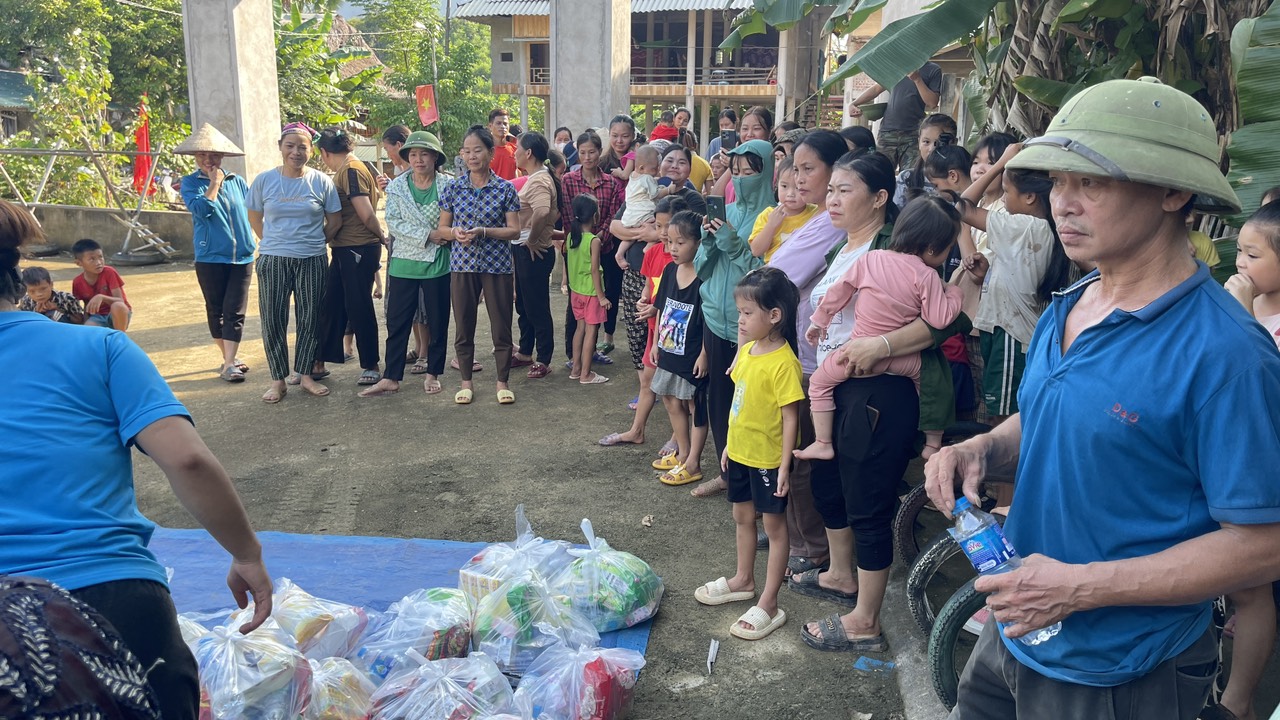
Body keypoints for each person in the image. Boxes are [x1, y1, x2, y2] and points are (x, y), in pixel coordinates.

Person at [925, 77, 1280, 720]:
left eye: (1093, 182)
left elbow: (1263, 543)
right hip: (1015, 637)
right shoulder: (1069, 305)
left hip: (1121, 672)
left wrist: (1078, 590)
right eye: (1059, 181)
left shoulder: (1227, 356)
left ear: (1174, 192)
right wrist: (984, 448)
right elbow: (1053, 420)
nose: (1064, 203)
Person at [0, 199, 273, 719]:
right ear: (15, 274)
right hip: (110, 599)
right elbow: (187, 460)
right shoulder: (100, 348)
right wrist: (246, 553)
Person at [796, 195, 965, 463]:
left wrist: (820, 320)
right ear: (934, 249)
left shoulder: (870, 259)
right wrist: (954, 291)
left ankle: (823, 442)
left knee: (818, 383)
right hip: (901, 360)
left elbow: (840, 291)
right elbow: (940, 318)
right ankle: (933, 443)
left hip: (855, 352)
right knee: (934, 384)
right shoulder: (927, 275)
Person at [694, 266, 803, 641]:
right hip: (740, 452)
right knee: (742, 516)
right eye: (739, 312)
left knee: (773, 528)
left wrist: (785, 465)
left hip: (769, 459)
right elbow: (740, 401)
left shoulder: (784, 363)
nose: (739, 320)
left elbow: (791, 418)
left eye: (746, 313)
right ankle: (743, 578)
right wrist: (728, 446)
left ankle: (770, 602)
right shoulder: (749, 351)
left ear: (775, 316)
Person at [1208, 200, 1280, 720]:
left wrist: (1239, 314)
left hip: (1264, 473)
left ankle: (1239, 699)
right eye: (1239, 250)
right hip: (1231, 458)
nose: (1240, 264)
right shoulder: (1239, 301)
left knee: (1257, 587)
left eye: (1253, 255)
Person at [956, 143, 1071, 422]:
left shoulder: (1025, 226)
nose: (1004, 198)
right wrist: (988, 272)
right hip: (1008, 328)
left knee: (1005, 417)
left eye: (1006, 191)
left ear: (1030, 196)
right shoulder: (1037, 228)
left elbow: (960, 207)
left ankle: (1004, 466)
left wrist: (1000, 164)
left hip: (1011, 334)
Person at [695, 140, 773, 492]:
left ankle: (753, 481)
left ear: (767, 172)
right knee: (719, 400)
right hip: (715, 318)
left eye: (749, 173)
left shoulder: (773, 216)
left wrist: (731, 243)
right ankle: (728, 475)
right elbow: (701, 270)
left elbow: (763, 276)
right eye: (735, 172)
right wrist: (708, 242)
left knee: (750, 407)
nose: (740, 180)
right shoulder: (728, 211)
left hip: (751, 328)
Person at [246, 122, 341, 404]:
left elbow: (334, 220)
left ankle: (306, 375)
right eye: (290, 146)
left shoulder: (321, 181)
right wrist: (274, 241)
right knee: (273, 318)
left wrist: (313, 241)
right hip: (273, 259)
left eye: (302, 147)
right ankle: (278, 380)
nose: (296, 152)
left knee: (310, 318)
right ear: (280, 147)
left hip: (311, 258)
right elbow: (254, 217)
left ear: (311, 150)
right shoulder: (264, 180)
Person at [360, 131, 452, 398]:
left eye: (424, 153)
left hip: (437, 263)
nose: (418, 159)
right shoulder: (398, 186)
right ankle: (391, 376)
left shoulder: (448, 185)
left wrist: (442, 234)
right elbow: (395, 223)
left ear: (435, 157)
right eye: (413, 154)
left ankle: (433, 372)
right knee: (397, 322)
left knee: (438, 321)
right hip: (403, 264)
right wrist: (430, 234)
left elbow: (453, 219)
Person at [438, 124, 523, 405]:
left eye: (477, 150)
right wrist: (455, 234)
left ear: (490, 153)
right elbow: (442, 229)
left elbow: (513, 230)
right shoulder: (453, 187)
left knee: (501, 326)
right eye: (467, 151)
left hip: (497, 265)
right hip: (462, 265)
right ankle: (466, 382)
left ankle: (502, 382)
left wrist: (484, 231)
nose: (471, 156)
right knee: (463, 324)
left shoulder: (504, 189)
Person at [598, 194, 689, 449]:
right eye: (658, 226)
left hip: (673, 330)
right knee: (648, 380)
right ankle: (636, 430)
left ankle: (677, 439)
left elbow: (681, 298)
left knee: (675, 390)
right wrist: (644, 300)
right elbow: (649, 286)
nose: (661, 233)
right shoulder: (654, 253)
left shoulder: (684, 258)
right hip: (654, 329)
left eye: (667, 226)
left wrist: (655, 308)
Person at [176, 123, 256, 382]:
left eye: (213, 155)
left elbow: (250, 211)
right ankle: (229, 359)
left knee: (235, 309)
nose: (208, 160)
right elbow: (201, 210)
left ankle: (230, 361)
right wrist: (213, 184)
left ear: (222, 157)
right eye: (202, 155)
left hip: (241, 255)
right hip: (210, 257)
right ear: (195, 158)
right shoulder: (190, 183)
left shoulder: (237, 182)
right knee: (216, 309)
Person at [314, 127, 385, 387]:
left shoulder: (351, 170)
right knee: (331, 303)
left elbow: (365, 213)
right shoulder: (351, 166)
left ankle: (371, 365)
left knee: (358, 305)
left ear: (323, 152)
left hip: (359, 246)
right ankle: (319, 360)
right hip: (344, 247)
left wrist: (382, 237)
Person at [650, 210, 710, 486]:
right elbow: (661, 308)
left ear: (698, 243)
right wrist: (654, 344)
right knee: (670, 399)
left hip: (693, 353)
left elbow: (710, 320)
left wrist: (704, 354)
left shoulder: (705, 276)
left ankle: (693, 461)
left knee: (694, 405)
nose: (672, 248)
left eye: (681, 242)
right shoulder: (670, 270)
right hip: (668, 349)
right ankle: (683, 453)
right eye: (670, 241)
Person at [559, 130, 624, 368]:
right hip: (576, 248)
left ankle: (592, 350)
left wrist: (598, 237)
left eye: (592, 152)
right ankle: (573, 357)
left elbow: (613, 216)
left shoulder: (611, 183)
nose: (587, 157)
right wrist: (578, 240)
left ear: (600, 152)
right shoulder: (568, 180)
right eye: (583, 152)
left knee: (600, 300)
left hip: (604, 247)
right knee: (576, 304)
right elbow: (567, 215)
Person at [511, 131, 561, 379]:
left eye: (518, 148)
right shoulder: (536, 178)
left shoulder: (539, 180)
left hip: (533, 253)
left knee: (536, 306)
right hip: (524, 251)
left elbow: (541, 212)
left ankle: (543, 358)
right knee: (524, 304)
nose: (515, 152)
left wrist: (531, 240)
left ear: (528, 153)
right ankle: (525, 351)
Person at [848, 61, 942, 169]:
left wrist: (917, 79)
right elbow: (877, 88)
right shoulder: (897, 66)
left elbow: (932, 102)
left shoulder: (933, 69)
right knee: (880, 173)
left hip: (913, 134)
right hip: (887, 131)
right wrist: (854, 103)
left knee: (909, 177)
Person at [563, 193, 611, 385]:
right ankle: (586, 374)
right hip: (591, 293)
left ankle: (576, 369)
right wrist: (601, 297)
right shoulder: (594, 240)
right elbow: (594, 270)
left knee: (580, 329)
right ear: (594, 216)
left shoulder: (570, 237)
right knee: (591, 332)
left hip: (576, 292)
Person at [749, 156, 820, 262]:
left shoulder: (816, 213)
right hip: (774, 272)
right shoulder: (768, 215)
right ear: (776, 185)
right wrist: (771, 226)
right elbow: (756, 251)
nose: (790, 194)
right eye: (784, 186)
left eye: (797, 187)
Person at [894, 113, 957, 207]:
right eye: (926, 142)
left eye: (940, 143)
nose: (932, 149)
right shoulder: (906, 178)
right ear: (918, 142)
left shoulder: (958, 179)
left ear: (954, 143)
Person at [71, 238, 131, 331]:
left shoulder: (109, 272)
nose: (98, 262)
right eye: (92, 259)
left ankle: (120, 337)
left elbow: (120, 300)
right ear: (79, 263)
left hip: (117, 313)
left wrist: (102, 297)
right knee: (88, 331)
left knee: (117, 306)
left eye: (100, 257)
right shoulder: (77, 282)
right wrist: (85, 324)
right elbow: (87, 306)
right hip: (98, 316)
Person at [619, 145, 671, 228]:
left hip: (629, 218)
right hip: (644, 216)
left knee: (628, 240)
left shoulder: (633, 176)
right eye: (654, 169)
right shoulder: (647, 178)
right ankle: (650, 242)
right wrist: (668, 190)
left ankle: (624, 242)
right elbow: (656, 194)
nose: (657, 171)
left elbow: (644, 185)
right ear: (642, 168)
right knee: (655, 228)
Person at [19, 266, 84, 324]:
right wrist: (36, 313)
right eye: (32, 291)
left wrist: (59, 310)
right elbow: (23, 322)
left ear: (51, 285)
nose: (39, 294)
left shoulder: (66, 298)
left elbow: (79, 321)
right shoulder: (26, 301)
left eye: (43, 289)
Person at [378, 124, 411, 191]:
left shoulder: (415, 174)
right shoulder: (404, 173)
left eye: (386, 149)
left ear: (399, 145)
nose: (388, 155)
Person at [488, 109, 518, 180]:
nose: (502, 126)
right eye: (498, 123)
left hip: (511, 190)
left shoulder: (515, 149)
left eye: (505, 124)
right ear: (490, 126)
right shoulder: (485, 150)